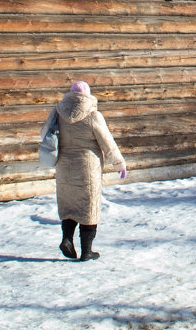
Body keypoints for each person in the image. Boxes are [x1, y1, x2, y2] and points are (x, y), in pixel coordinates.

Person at [41, 81, 126, 261]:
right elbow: (107, 143)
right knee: (89, 208)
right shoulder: (93, 115)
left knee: (69, 205)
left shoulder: (58, 112)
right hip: (88, 168)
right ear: (87, 95)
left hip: (64, 165)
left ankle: (66, 239)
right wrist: (119, 163)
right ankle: (87, 251)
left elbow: (44, 133)